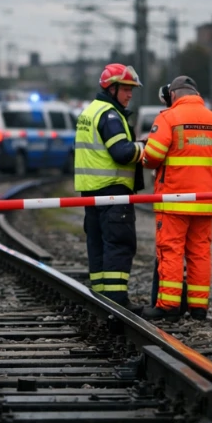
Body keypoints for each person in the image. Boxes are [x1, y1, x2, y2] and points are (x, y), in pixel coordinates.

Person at [139, 76, 212, 321]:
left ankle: (168, 306)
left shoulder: (168, 118)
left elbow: (153, 156)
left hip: (173, 199)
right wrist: (206, 180)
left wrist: (144, 157)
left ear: (173, 95)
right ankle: (198, 308)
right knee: (200, 253)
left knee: (170, 251)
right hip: (205, 200)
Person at [74, 64, 145, 310]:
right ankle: (116, 301)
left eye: (131, 89)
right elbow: (122, 153)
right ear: (111, 89)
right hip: (113, 192)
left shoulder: (90, 111)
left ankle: (100, 298)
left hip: (91, 193)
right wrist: (145, 147)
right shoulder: (110, 115)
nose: (130, 94)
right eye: (125, 89)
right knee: (119, 244)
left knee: (97, 245)